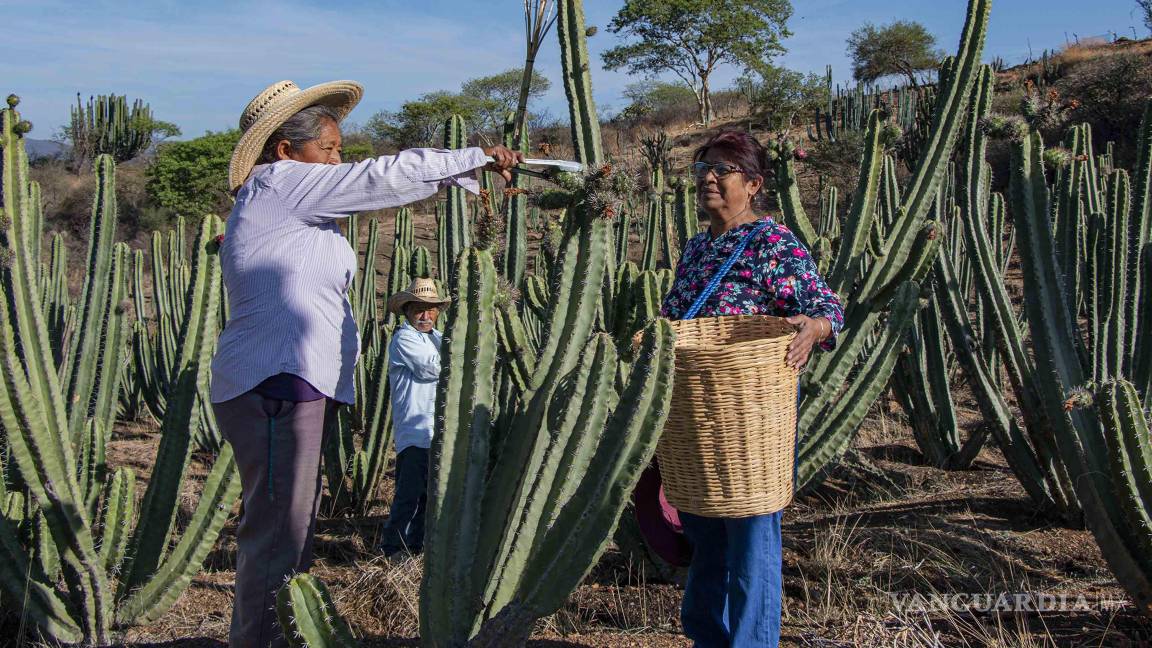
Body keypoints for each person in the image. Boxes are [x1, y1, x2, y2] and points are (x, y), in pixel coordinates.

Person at [209, 79, 522, 648]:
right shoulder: (281, 185)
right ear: (285, 149)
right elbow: (378, 178)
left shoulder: (286, 202)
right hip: (277, 379)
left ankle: (276, 636)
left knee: (290, 529)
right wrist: (472, 157)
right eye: (327, 149)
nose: (337, 160)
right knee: (280, 533)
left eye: (338, 150)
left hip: (287, 380)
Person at [661, 130, 845, 647]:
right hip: (697, 414)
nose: (709, 179)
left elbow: (826, 308)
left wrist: (815, 328)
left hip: (749, 418)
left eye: (722, 170)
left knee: (749, 539)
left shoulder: (773, 241)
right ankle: (708, 639)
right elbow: (676, 318)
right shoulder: (697, 248)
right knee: (705, 537)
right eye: (702, 170)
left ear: (755, 183)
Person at [377, 277, 450, 557]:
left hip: (436, 429)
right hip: (416, 430)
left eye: (431, 309)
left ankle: (415, 548)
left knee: (427, 497)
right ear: (407, 310)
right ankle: (394, 548)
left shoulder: (438, 337)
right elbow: (431, 368)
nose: (425, 315)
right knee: (409, 494)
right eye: (419, 308)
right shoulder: (404, 337)